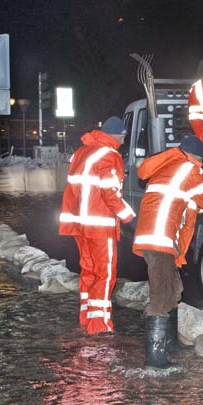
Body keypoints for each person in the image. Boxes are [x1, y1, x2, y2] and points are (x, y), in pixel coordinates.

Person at [133, 135, 203, 368]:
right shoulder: (189, 169)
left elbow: (189, 206)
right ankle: (156, 358)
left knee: (174, 288)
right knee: (161, 295)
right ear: (198, 158)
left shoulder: (170, 169)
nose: (202, 167)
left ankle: (169, 344)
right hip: (160, 240)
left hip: (156, 239)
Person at [59, 116, 136, 335]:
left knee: (88, 270)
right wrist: (130, 218)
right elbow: (110, 193)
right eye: (123, 136)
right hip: (100, 225)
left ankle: (86, 317)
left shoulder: (82, 153)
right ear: (118, 135)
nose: (124, 139)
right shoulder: (109, 155)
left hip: (79, 225)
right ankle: (99, 325)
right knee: (106, 273)